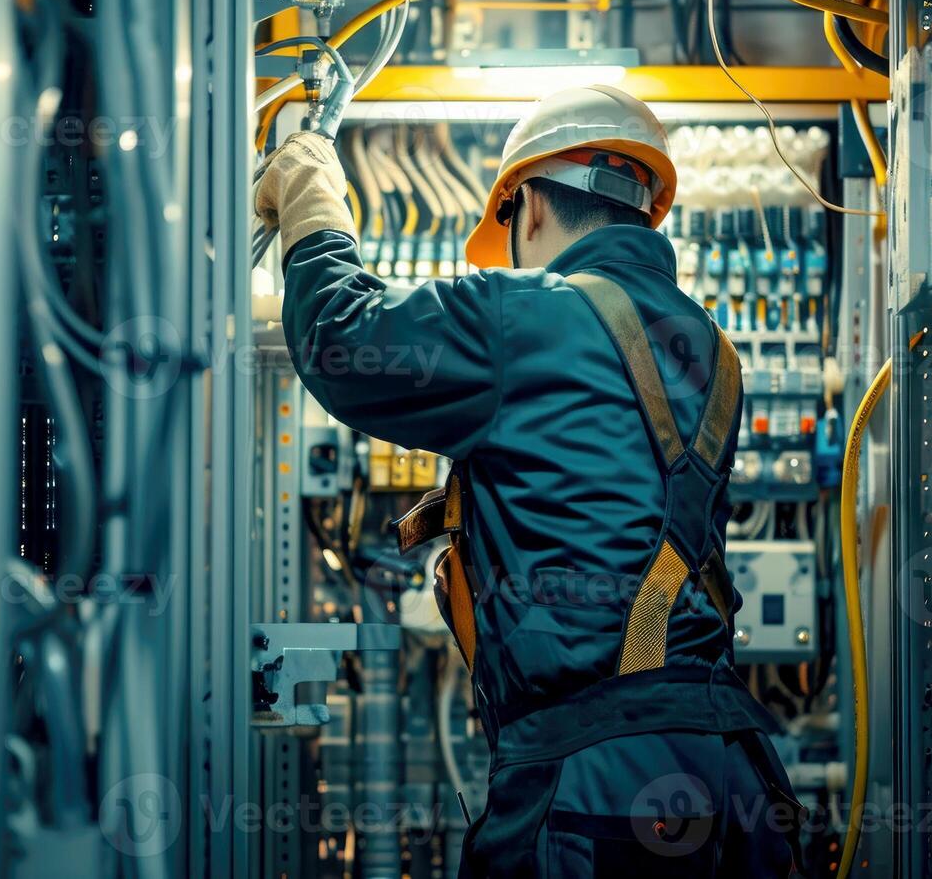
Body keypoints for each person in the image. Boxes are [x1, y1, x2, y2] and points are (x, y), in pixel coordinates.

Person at [255, 85, 802, 877]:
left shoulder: (525, 314)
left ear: (529, 207)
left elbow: (344, 339)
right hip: (736, 773)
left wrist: (312, 195)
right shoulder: (712, 350)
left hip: (595, 782)